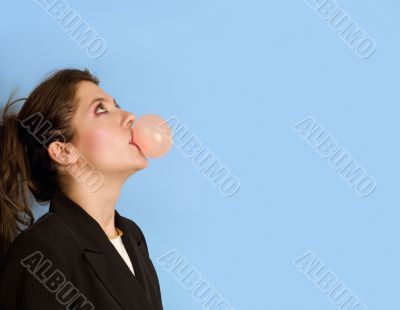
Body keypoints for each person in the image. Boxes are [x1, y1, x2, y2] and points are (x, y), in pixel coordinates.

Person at [0, 68, 163, 309]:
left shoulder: (132, 236)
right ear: (64, 151)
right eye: (101, 109)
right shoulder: (40, 252)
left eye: (117, 105)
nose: (129, 116)